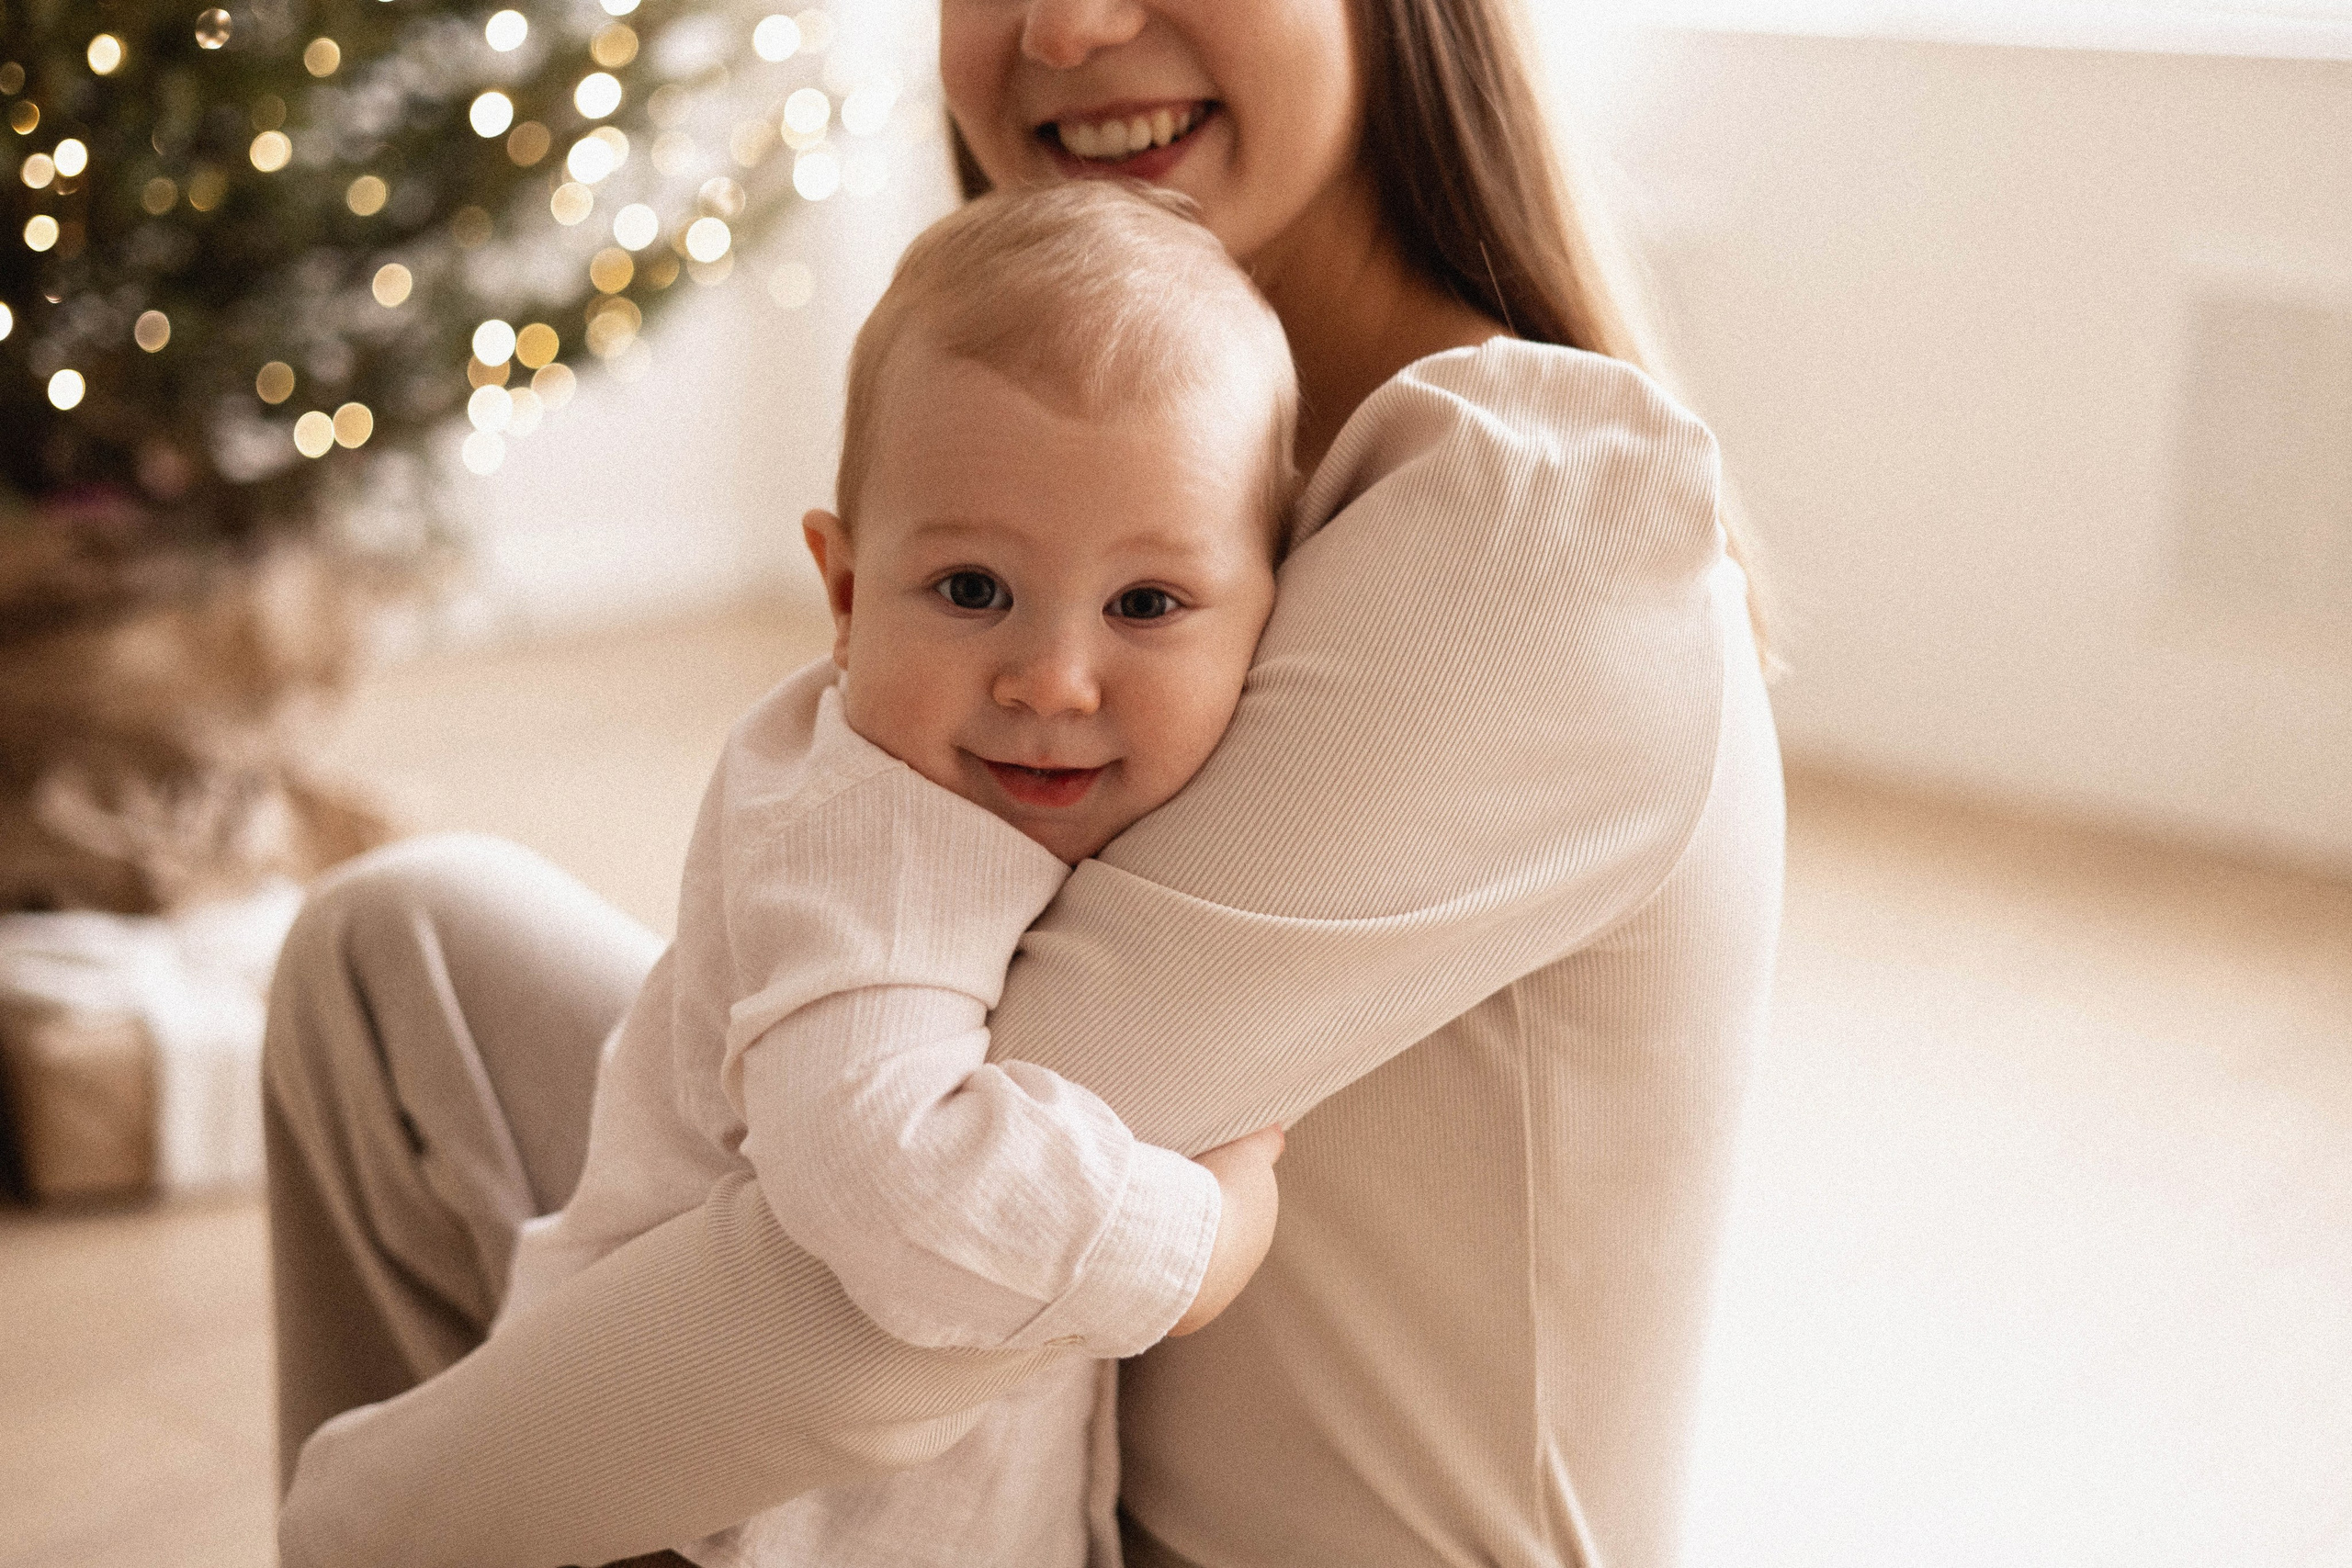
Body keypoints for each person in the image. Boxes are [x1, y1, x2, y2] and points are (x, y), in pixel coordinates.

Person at [266, 2, 1785, 1565]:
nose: (1063, 26)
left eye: (1146, 608)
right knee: (400, 954)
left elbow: (895, 1259)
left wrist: (364, 1514)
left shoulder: (1534, 523)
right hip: (1039, 1456)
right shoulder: (1169, 475)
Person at [486, 182, 1295, 1568]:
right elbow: (884, 1174)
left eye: (1146, 605)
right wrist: (1199, 1239)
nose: (1051, 678)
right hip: (683, 1523)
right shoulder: (876, 830)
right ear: (847, 592)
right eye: (973, 589)